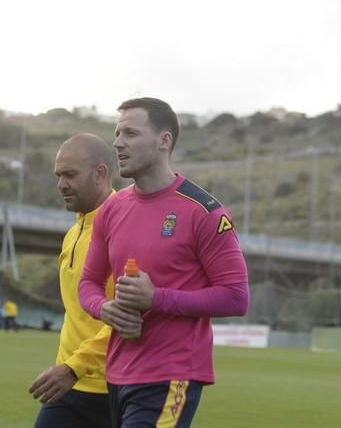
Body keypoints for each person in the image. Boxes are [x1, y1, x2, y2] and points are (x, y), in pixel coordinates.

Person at [79, 97, 249, 428]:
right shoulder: (112, 210)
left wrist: (155, 298)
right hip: (117, 374)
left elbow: (236, 296)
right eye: (117, 133)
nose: (117, 143)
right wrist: (104, 309)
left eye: (130, 133)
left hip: (173, 375)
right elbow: (88, 283)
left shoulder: (204, 212)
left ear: (163, 141)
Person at [29, 133, 116, 428]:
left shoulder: (126, 230)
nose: (61, 184)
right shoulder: (72, 233)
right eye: (58, 175)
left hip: (113, 390)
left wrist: (76, 366)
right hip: (68, 385)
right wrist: (68, 368)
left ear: (100, 173)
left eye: (70, 175)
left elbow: (132, 315)